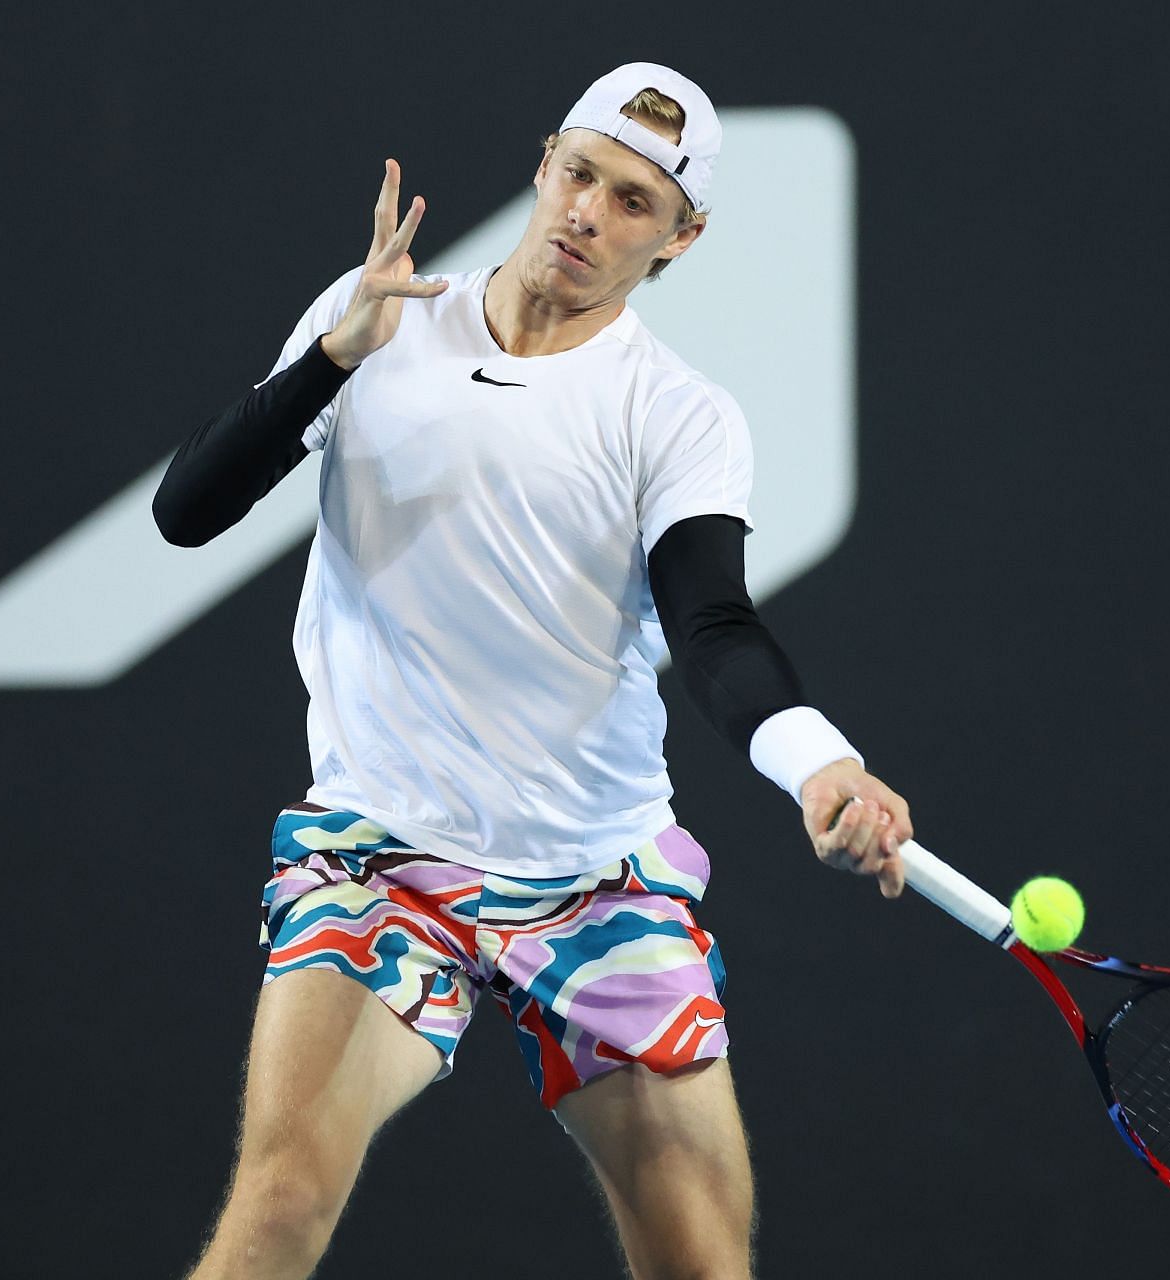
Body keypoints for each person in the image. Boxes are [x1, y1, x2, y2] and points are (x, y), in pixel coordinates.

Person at [152, 62, 914, 1280]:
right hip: (380, 849)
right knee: (282, 1198)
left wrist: (820, 763)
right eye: (579, 175)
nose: (586, 215)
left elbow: (711, 625)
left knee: (703, 1264)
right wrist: (334, 358)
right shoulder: (374, 318)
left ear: (681, 236)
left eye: (631, 202)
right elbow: (184, 515)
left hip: (596, 875)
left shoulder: (678, 414)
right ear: (545, 157)